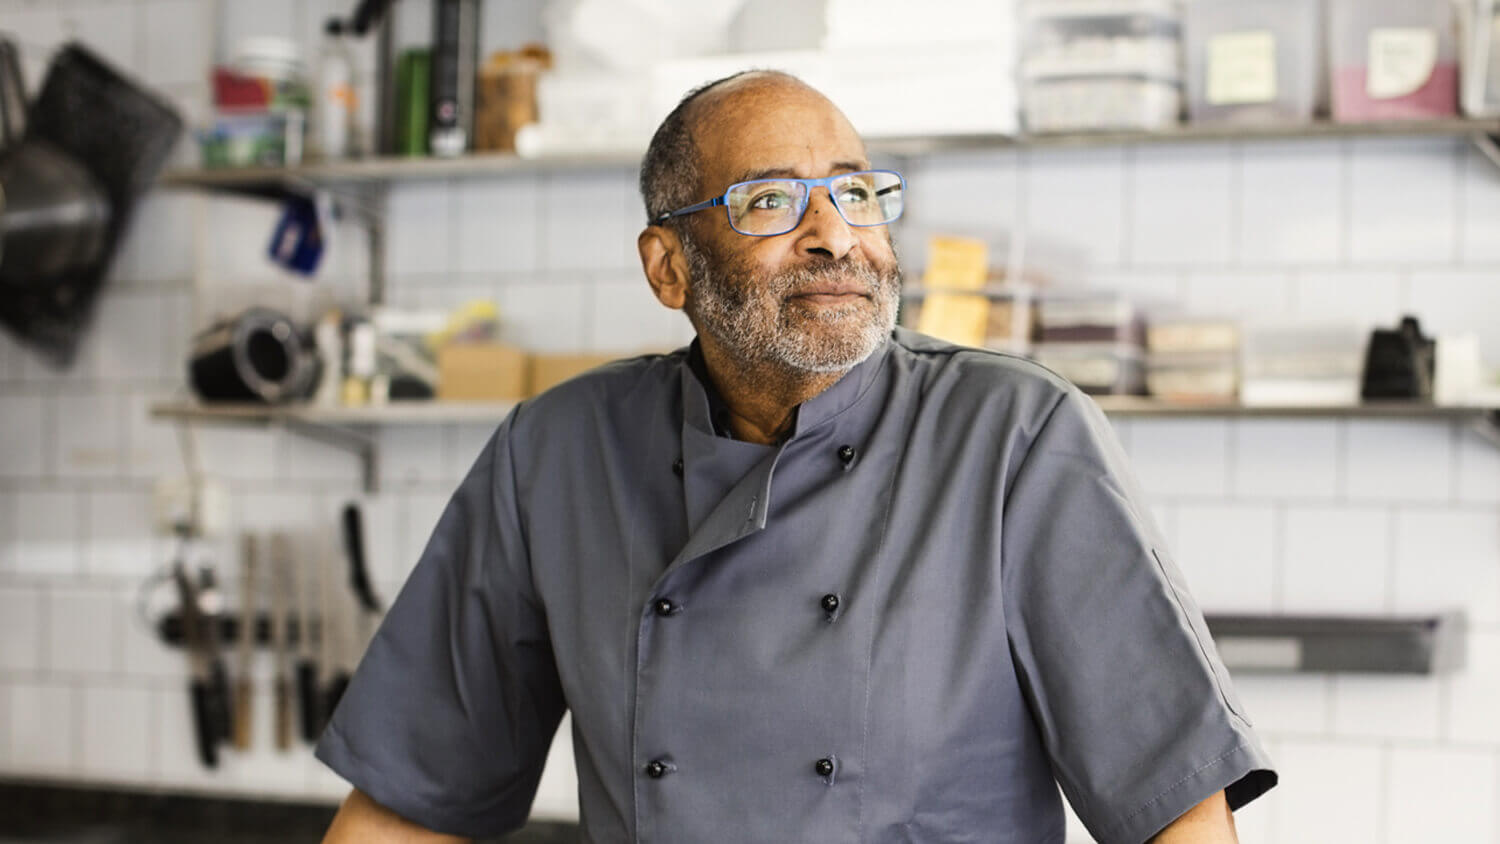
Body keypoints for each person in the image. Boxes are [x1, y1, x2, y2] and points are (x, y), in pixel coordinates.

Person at [318, 70, 1277, 844]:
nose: (835, 236)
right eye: (771, 200)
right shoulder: (556, 453)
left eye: (856, 192)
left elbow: (1177, 808)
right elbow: (410, 804)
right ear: (668, 267)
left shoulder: (1014, 435)